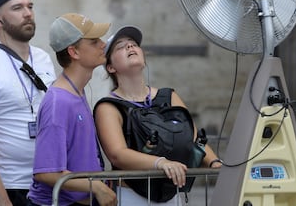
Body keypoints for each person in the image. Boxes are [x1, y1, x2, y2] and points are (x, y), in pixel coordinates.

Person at [94, 26, 222, 206]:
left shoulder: (169, 96)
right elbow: (117, 154)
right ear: (111, 67)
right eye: (121, 47)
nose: (130, 47)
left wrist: (214, 162)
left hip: (172, 193)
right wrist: (160, 163)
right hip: (132, 196)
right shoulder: (109, 106)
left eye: (134, 44)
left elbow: (193, 139)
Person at [0, 0, 56, 206]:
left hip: (51, 181)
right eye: (17, 8)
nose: (28, 14)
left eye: (30, 6)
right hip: (12, 187)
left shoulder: (44, 58)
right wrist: (1, 200)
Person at [27, 13, 117, 206]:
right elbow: (46, 171)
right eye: (94, 41)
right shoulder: (59, 101)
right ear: (74, 52)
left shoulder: (75, 92)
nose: (103, 44)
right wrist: (97, 187)